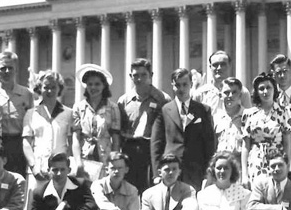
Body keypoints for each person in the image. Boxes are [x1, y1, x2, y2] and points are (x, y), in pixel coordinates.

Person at [151, 67, 216, 191]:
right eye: (177, 85)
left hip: (195, 168)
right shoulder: (164, 110)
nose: (181, 89)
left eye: (185, 84)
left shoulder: (203, 110)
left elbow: (209, 143)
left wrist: (209, 171)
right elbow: (156, 143)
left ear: (191, 84)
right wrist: (156, 173)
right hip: (170, 168)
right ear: (172, 86)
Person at [117, 58, 170, 192]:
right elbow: (119, 129)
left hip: (153, 148)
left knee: (153, 188)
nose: (139, 79)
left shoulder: (163, 99)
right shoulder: (124, 101)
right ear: (130, 76)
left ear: (151, 75)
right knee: (131, 189)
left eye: (143, 75)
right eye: (135, 75)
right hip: (130, 149)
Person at [241, 72, 291, 185]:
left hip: (276, 162)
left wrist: (287, 167)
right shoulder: (249, 114)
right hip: (256, 162)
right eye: (261, 89)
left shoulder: (284, 112)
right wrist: (244, 174)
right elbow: (246, 146)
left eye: (268, 87)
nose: (265, 92)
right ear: (257, 92)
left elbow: (287, 144)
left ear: (274, 89)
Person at [22, 70, 73, 184]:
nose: (49, 91)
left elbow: (72, 143)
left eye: (53, 87)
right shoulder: (31, 113)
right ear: (40, 88)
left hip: (60, 172)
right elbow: (26, 143)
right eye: (46, 87)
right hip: (38, 171)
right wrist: (33, 166)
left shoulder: (68, 113)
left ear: (59, 88)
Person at [72, 64, 121, 181]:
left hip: (105, 158)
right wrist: (78, 162)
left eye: (97, 84)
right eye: (90, 84)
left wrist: (113, 162)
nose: (93, 87)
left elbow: (116, 139)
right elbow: (75, 138)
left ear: (104, 86)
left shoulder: (113, 108)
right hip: (84, 158)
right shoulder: (78, 107)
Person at [0, 51, 34, 176]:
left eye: (10, 68)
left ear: (16, 70)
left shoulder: (26, 94)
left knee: (18, 181)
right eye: (3, 68)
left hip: (19, 144)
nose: (6, 71)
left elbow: (32, 122)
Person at [193, 50, 252, 117]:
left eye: (223, 64)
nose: (219, 68)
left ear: (230, 65)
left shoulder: (242, 92)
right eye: (215, 65)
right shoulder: (200, 94)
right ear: (210, 67)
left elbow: (249, 118)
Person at [214, 77, 247, 157]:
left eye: (234, 92)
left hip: (240, 163)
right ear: (220, 95)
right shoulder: (216, 118)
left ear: (240, 95)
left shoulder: (248, 116)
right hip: (221, 163)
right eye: (226, 92)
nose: (230, 96)